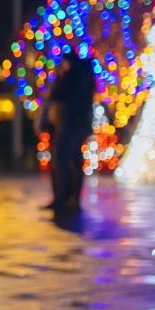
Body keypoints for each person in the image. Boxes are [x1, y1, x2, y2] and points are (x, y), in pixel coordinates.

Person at [45, 54, 97, 213]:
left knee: (62, 160)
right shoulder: (87, 77)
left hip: (68, 123)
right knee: (75, 160)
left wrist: (59, 79)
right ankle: (72, 199)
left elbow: (57, 94)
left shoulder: (72, 76)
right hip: (80, 124)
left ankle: (61, 198)